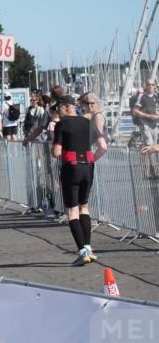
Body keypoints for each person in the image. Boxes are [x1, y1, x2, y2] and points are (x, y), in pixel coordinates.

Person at [52, 95, 107, 265]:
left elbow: (56, 153)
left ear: (67, 107)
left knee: (72, 212)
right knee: (84, 207)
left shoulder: (62, 124)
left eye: (58, 108)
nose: (57, 111)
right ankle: (88, 248)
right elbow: (103, 147)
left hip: (71, 167)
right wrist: (90, 161)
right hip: (88, 167)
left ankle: (82, 252)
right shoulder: (88, 123)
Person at [133, 80, 158, 177]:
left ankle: (149, 169)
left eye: (153, 84)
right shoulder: (142, 96)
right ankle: (153, 170)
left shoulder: (156, 96)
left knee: (154, 148)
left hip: (154, 125)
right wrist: (148, 116)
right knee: (150, 146)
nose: (151, 86)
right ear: (145, 86)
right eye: (149, 84)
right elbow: (135, 111)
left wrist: (156, 116)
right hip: (145, 124)